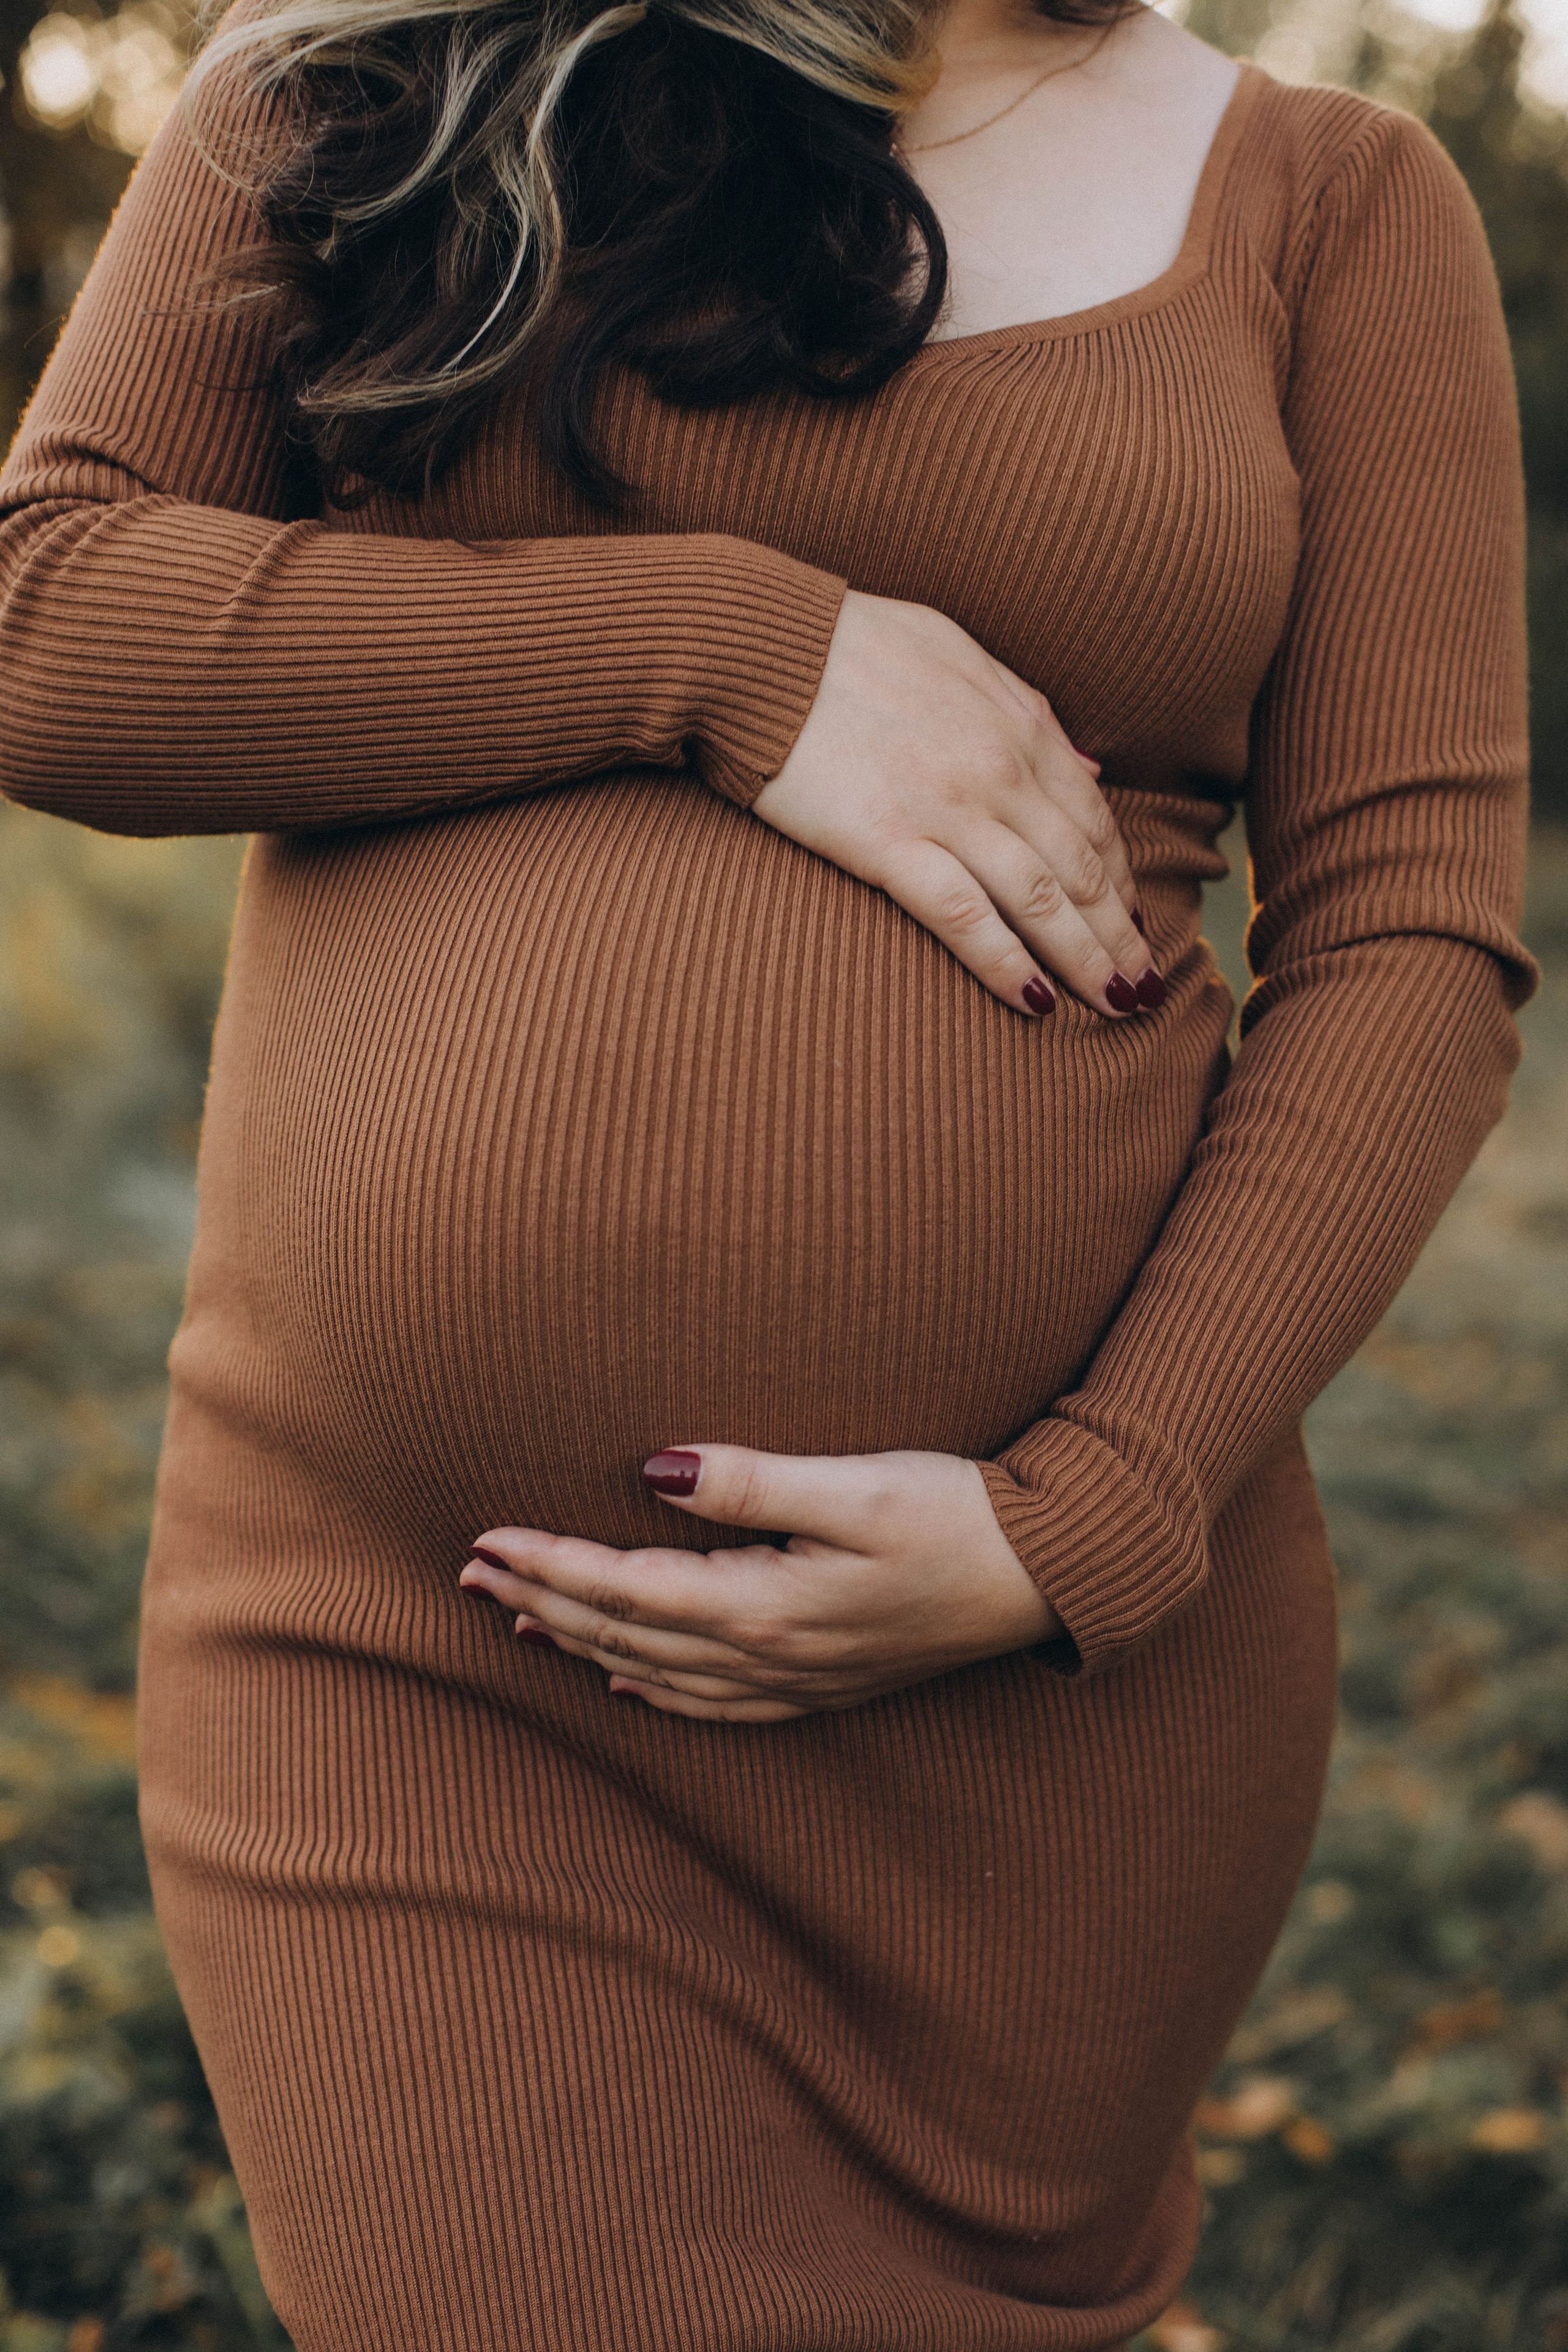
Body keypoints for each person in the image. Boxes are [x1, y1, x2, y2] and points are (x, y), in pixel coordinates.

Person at [0, 0, 1532, 2336]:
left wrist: (1087, 1517)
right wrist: (728, 650)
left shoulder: (1334, 209)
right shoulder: (389, 72)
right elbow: (49, 620)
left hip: (1037, 1737)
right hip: (426, 1658)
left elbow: (1411, 936)